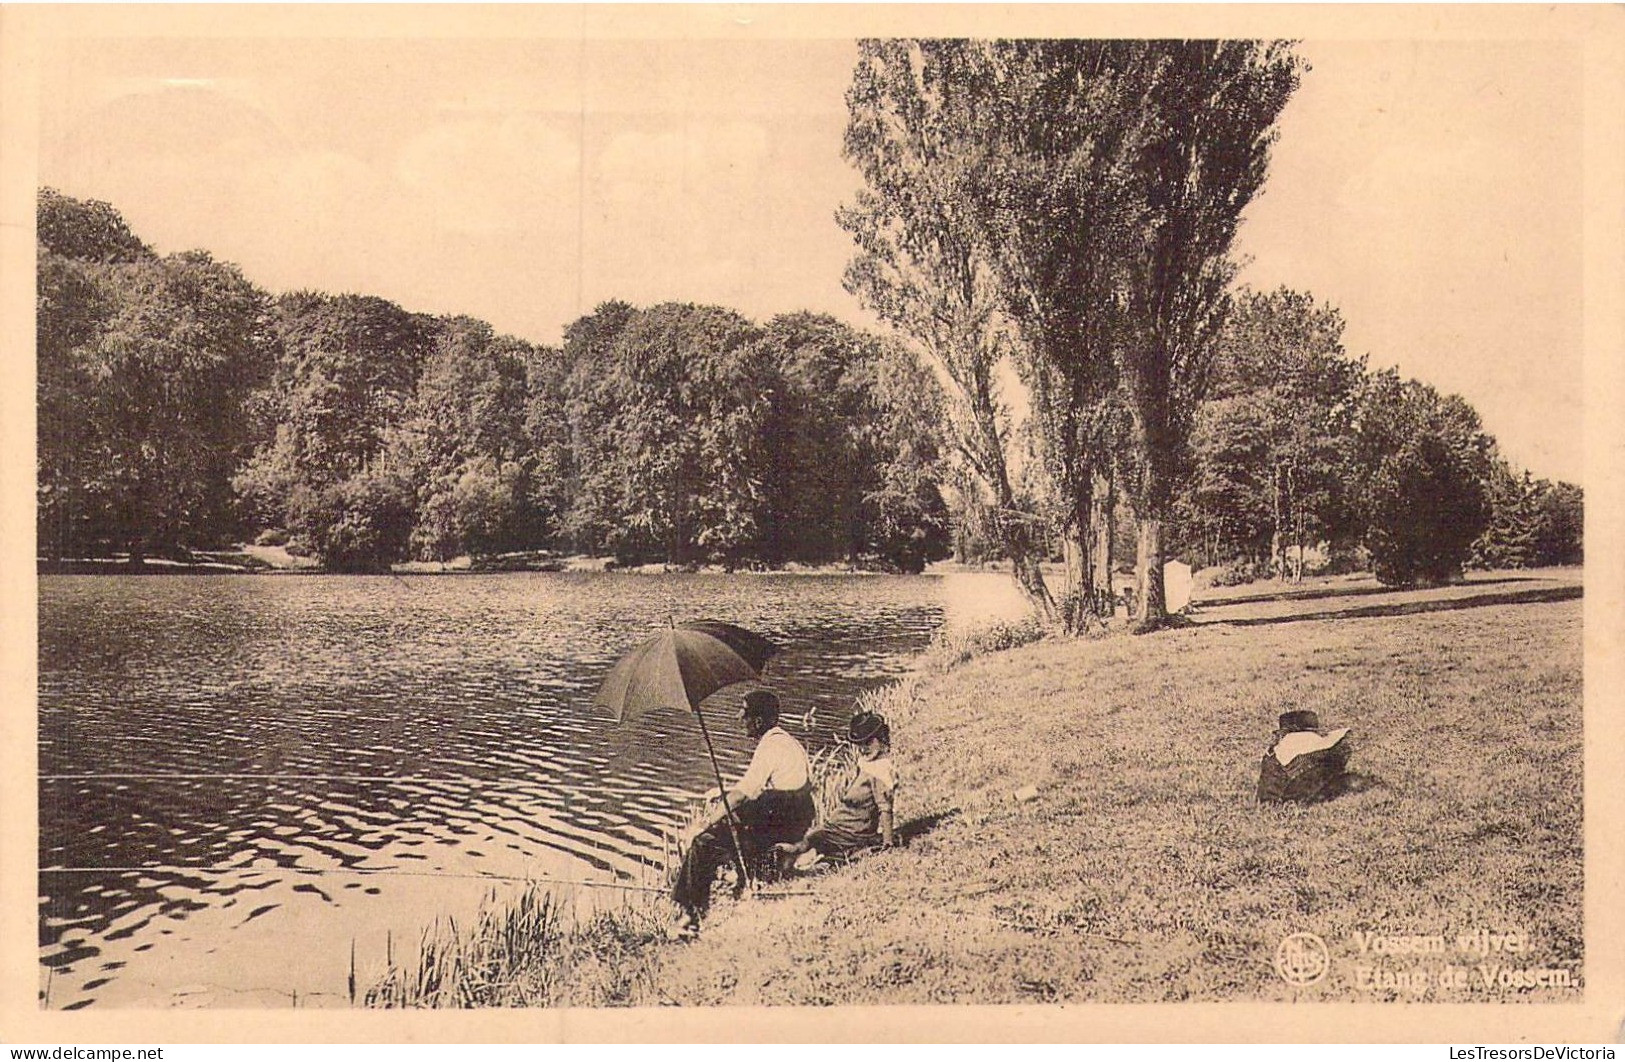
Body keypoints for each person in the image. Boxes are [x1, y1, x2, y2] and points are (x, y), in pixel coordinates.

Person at [670, 688, 813, 936]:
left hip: (783, 816)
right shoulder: (785, 740)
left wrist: (705, 823)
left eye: (744, 714)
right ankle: (744, 878)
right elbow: (757, 788)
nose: (739, 718)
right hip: (797, 813)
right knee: (732, 817)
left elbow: (744, 794)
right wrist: (726, 797)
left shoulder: (769, 747)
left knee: (704, 841)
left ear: (758, 721)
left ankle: (691, 912)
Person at [776, 710, 897, 868]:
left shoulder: (881, 771)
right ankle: (778, 858)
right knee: (805, 841)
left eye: (868, 743)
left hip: (850, 832)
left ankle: (785, 862)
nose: (863, 749)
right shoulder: (868, 763)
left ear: (881, 740)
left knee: (806, 843)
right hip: (837, 825)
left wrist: (888, 843)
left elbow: (885, 808)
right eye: (860, 745)